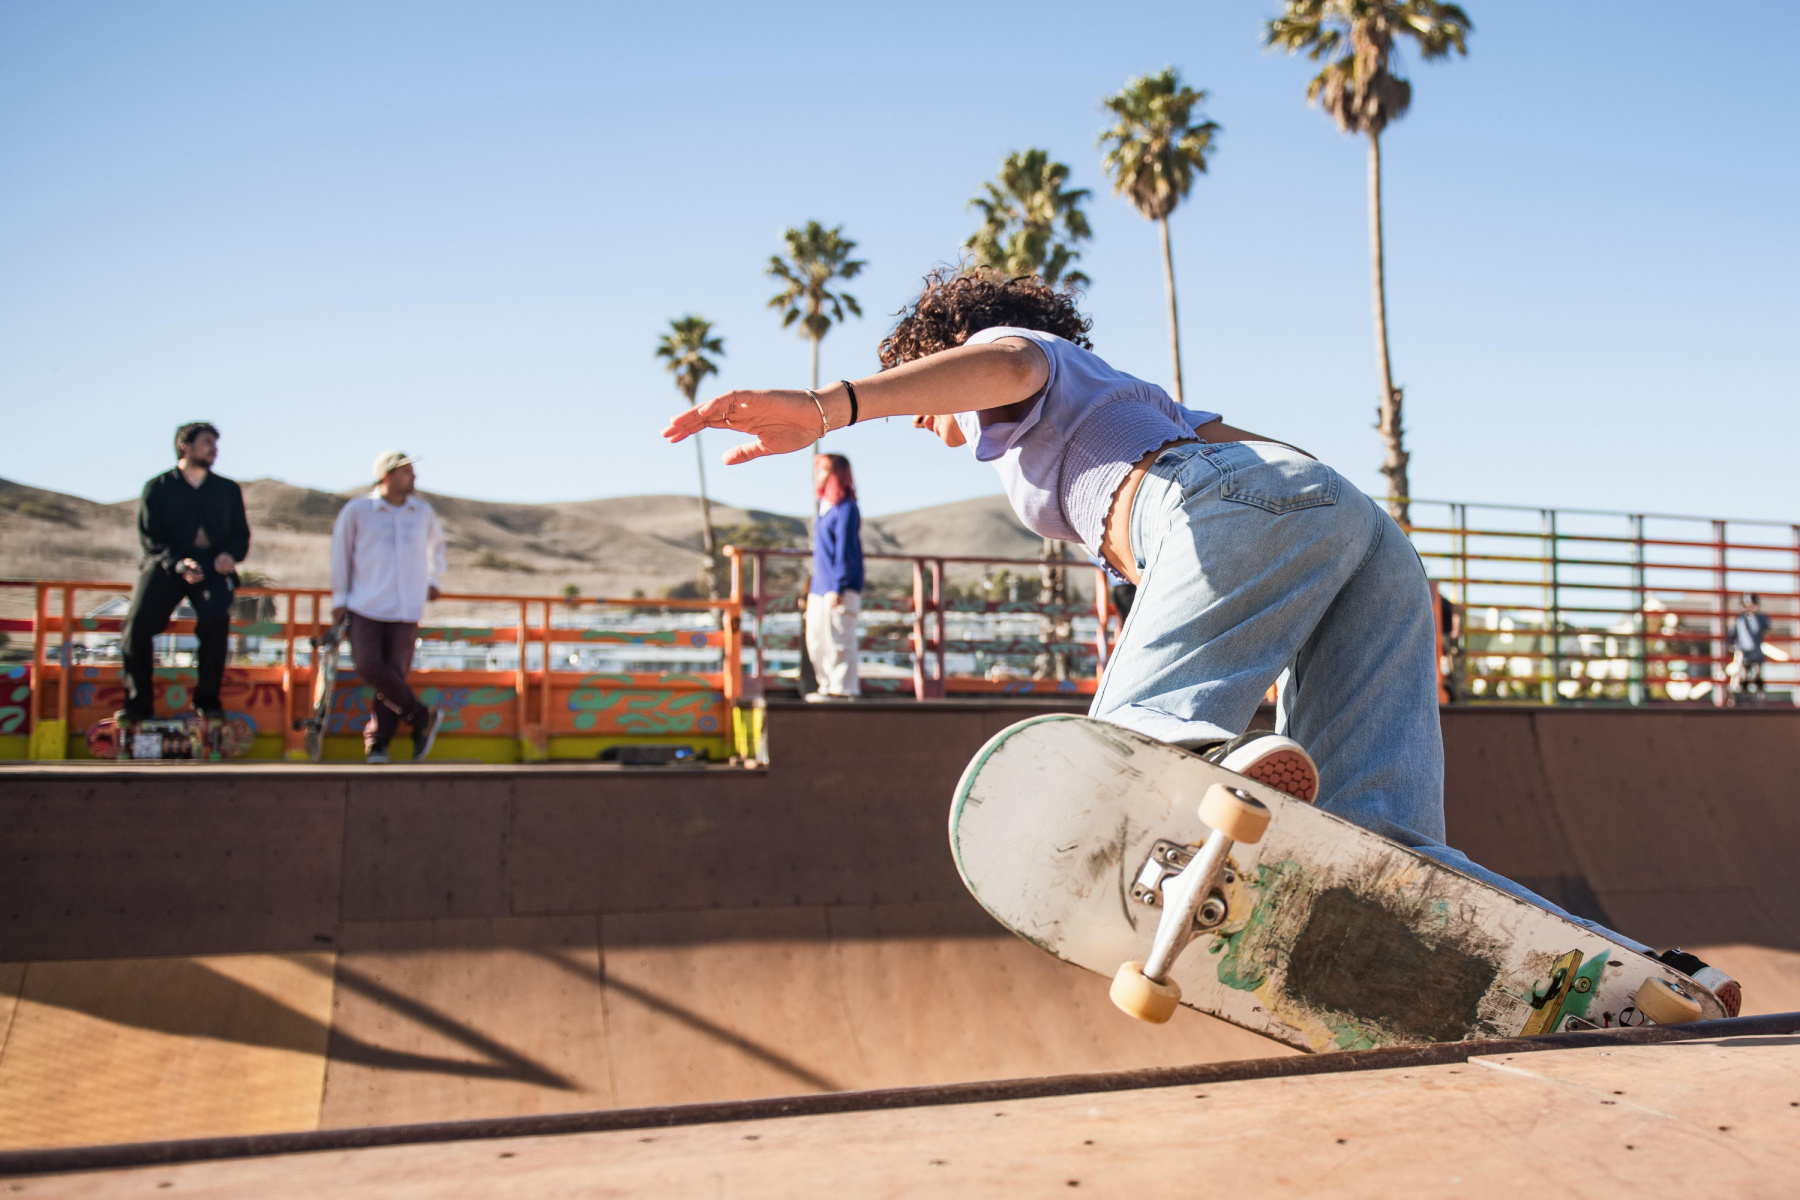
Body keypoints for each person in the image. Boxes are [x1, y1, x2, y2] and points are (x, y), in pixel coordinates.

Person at [662, 268, 1741, 1015]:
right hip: (1343, 523)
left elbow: (993, 368)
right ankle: (1649, 974)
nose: (929, 431)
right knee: (1388, 846)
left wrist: (832, 402)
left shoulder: (1027, 366)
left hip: (1223, 509)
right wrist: (1406, 587)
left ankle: (1217, 765)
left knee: (1119, 763)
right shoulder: (1148, 404)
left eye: (922, 409)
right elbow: (1286, 498)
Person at [119, 422, 250, 726]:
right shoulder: (158, 487)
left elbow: (241, 535)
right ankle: (137, 705)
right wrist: (179, 564)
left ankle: (207, 702)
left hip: (213, 566)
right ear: (185, 446)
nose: (214, 449)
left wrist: (229, 555)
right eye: (207, 443)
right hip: (167, 563)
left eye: (215, 444)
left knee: (216, 620)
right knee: (136, 624)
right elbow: (150, 538)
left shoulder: (227, 490)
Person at [329, 451, 447, 763]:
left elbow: (437, 547)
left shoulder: (421, 513)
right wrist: (339, 599)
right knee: (369, 665)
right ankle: (421, 716)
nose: (414, 478)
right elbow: (340, 555)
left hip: (407, 606)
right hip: (365, 604)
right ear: (387, 475)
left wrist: (433, 579)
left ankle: (378, 743)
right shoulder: (358, 510)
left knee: (394, 675)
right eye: (407, 472)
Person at [806, 453, 863, 701]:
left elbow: (844, 550)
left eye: (823, 470)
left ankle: (843, 690)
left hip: (839, 586)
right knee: (817, 639)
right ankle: (826, 686)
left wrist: (837, 586)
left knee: (839, 639)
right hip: (819, 587)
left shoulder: (847, 508)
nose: (817, 474)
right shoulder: (823, 508)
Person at [1729, 593, 1771, 702]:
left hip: (1755, 649)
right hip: (1743, 649)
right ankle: (1745, 695)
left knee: (1757, 672)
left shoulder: (1759, 618)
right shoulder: (1739, 619)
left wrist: (1753, 616)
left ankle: (1760, 695)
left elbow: (1762, 629)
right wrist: (1731, 644)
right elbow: (1733, 632)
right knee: (1743, 673)